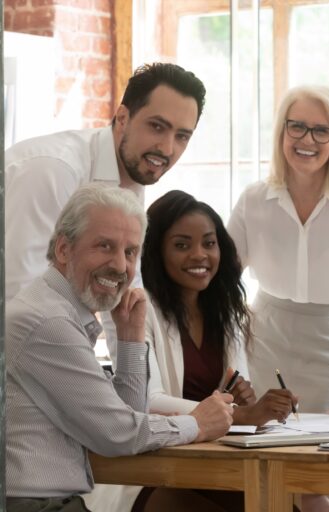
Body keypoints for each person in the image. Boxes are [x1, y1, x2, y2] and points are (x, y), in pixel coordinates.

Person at [5, 183, 234, 512]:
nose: (120, 265)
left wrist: (130, 338)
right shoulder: (47, 321)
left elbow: (125, 418)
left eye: (130, 252)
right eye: (104, 246)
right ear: (63, 250)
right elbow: (117, 434)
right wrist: (197, 422)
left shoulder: (57, 311)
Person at [86, 190, 298, 512]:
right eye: (182, 245)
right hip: (158, 473)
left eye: (209, 243)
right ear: (156, 251)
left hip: (219, 467)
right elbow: (148, 401)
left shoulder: (227, 311)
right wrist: (241, 413)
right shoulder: (134, 306)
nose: (199, 255)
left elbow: (237, 393)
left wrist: (251, 402)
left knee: (284, 506)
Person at [228, 85, 329, 416]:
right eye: (296, 126)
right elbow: (220, 287)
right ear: (282, 131)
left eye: (321, 131)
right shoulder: (253, 199)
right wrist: (232, 362)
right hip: (263, 342)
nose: (307, 140)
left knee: (324, 453)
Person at [5, 62, 205, 301]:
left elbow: (124, 288)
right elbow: (20, 297)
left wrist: (134, 336)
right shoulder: (55, 170)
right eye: (157, 127)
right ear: (122, 118)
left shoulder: (132, 177)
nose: (167, 148)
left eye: (182, 136)